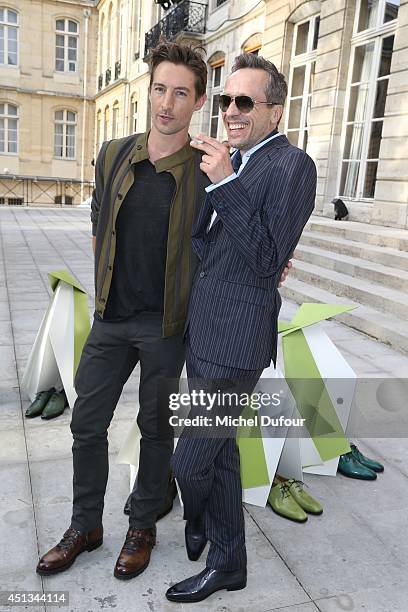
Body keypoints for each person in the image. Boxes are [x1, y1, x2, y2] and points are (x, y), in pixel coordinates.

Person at [36, 41, 209, 581]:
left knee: (156, 428)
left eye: (180, 93)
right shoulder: (113, 153)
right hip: (112, 320)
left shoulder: (208, 171)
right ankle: (85, 525)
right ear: (148, 91)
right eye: (160, 89)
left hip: (164, 326)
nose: (167, 103)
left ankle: (142, 524)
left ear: (197, 102)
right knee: (86, 424)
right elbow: (98, 224)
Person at [166, 53, 317, 603]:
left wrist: (225, 182)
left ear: (275, 112)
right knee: (222, 452)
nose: (230, 110)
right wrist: (222, 186)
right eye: (226, 99)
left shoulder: (291, 166)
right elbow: (208, 245)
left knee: (192, 456)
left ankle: (202, 524)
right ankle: (228, 561)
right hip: (203, 330)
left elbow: (262, 263)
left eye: (244, 101)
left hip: (237, 341)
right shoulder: (236, 161)